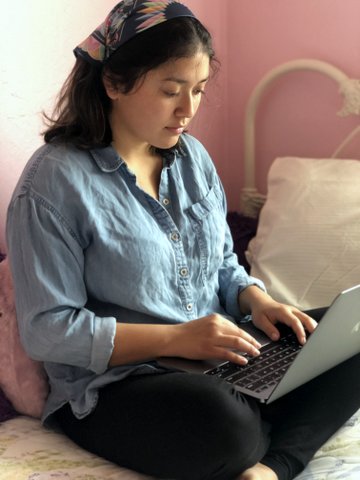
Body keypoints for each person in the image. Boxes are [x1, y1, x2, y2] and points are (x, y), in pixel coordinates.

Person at [6, 1, 360, 479]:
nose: (188, 110)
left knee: (344, 336)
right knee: (223, 421)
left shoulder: (192, 157)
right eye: (171, 90)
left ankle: (272, 467)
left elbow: (222, 261)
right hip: (119, 388)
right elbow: (48, 329)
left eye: (198, 90)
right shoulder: (52, 184)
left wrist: (255, 299)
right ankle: (269, 423)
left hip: (222, 355)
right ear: (113, 83)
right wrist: (177, 338)